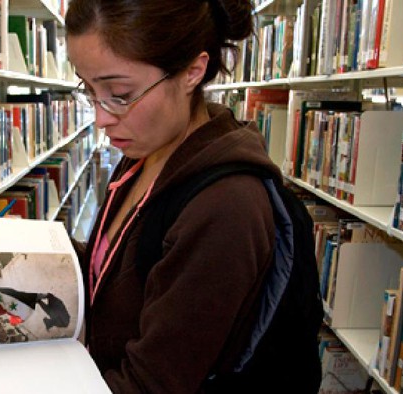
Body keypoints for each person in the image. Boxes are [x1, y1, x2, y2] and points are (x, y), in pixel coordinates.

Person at [66, 0, 321, 392]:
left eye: (119, 93)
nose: (100, 117)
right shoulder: (146, 152)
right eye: (88, 88)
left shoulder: (226, 208)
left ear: (192, 72)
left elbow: (153, 384)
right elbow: (120, 268)